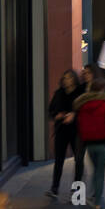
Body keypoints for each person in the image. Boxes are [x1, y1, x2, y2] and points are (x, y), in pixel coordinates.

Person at [74, 75, 105, 209]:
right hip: (103, 144)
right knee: (100, 173)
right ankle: (98, 206)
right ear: (103, 88)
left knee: (95, 171)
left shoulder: (83, 105)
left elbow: (80, 125)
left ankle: (93, 196)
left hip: (89, 144)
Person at [46, 69, 82, 200]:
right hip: (61, 130)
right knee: (59, 160)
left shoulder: (80, 93)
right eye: (65, 77)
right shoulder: (59, 93)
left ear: (74, 79)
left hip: (76, 131)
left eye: (69, 77)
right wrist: (57, 115)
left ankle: (77, 192)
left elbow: (84, 111)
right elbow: (50, 111)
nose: (67, 80)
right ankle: (54, 188)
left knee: (79, 161)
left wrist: (74, 115)